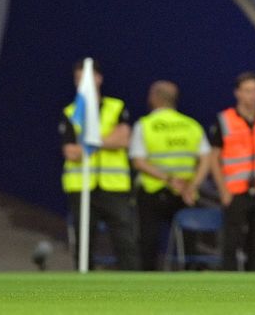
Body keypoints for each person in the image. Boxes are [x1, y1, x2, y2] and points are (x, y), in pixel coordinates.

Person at [59, 60, 139, 270]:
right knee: (84, 242)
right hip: (81, 186)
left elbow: (124, 139)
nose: (82, 83)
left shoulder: (116, 106)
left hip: (114, 186)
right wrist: (107, 141)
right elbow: (70, 152)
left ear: (99, 78)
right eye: (78, 79)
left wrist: (92, 142)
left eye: (86, 77)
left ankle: (134, 289)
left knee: (125, 241)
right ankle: (85, 290)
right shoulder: (71, 112)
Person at [129, 81, 211, 271]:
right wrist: (192, 186)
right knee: (189, 243)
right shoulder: (191, 125)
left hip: (152, 192)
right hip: (185, 193)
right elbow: (206, 159)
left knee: (149, 241)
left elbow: (138, 161)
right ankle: (192, 283)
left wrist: (168, 179)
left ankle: (148, 285)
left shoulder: (145, 125)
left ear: (154, 97)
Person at [209, 72, 255, 271]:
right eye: (247, 91)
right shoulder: (224, 120)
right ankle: (230, 288)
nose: (252, 95)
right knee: (231, 242)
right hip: (235, 189)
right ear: (238, 93)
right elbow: (213, 157)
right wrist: (222, 189)